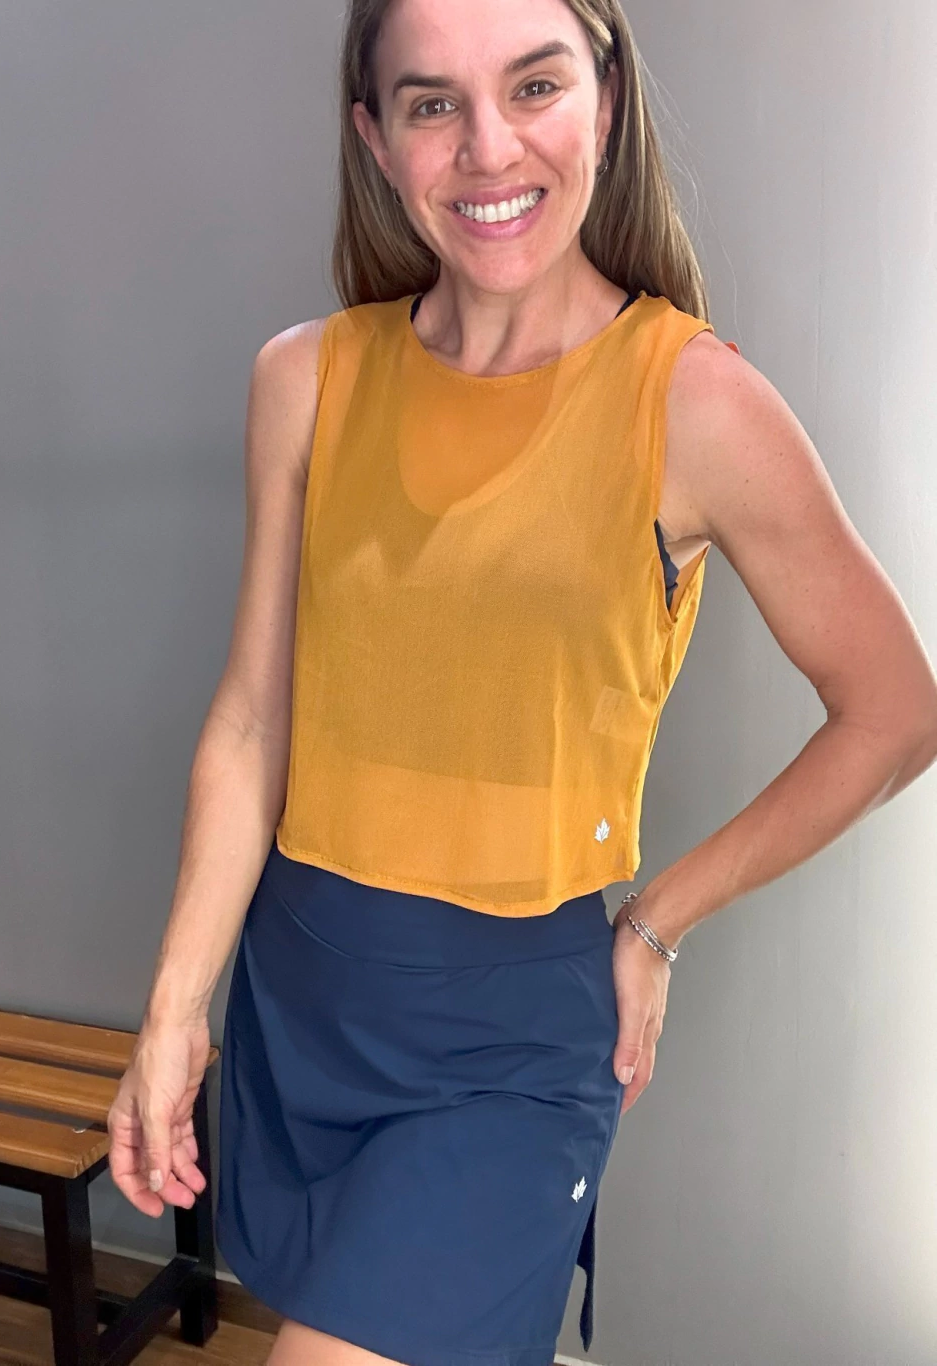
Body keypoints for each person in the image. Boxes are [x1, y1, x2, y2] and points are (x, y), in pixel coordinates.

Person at [107, 1, 937, 1363]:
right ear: (375, 137)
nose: (488, 148)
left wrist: (658, 919)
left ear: (606, 96)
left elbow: (896, 710)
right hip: (300, 997)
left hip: (505, 1051)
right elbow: (254, 721)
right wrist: (174, 1010)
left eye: (535, 85)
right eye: (433, 103)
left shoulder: (692, 401)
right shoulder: (306, 379)